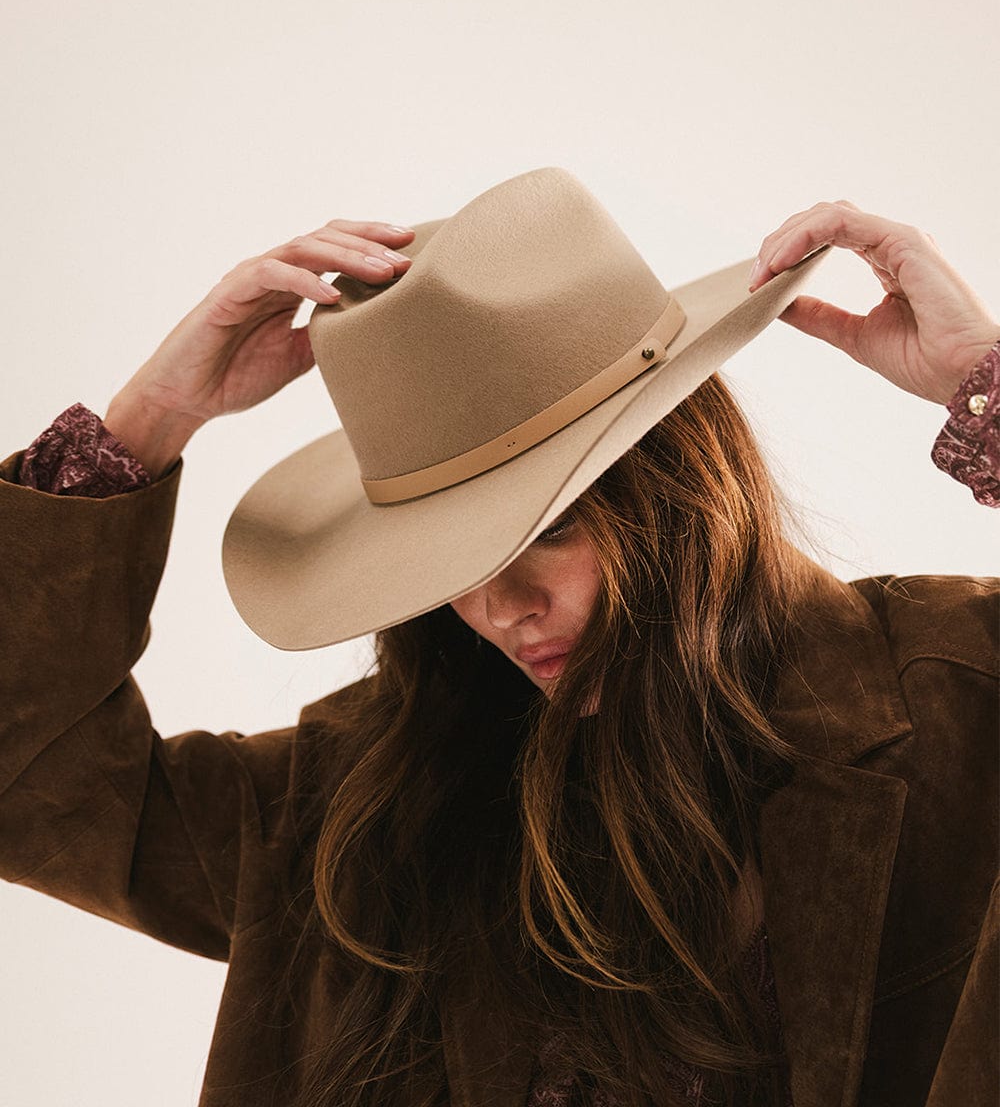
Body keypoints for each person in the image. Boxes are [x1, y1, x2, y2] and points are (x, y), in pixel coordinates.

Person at [0, 168, 996, 1107]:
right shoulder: (364, 803)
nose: (498, 609)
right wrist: (149, 420)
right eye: (446, 567)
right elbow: (27, 785)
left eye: (545, 529)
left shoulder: (951, 698)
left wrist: (984, 390)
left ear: (681, 490)